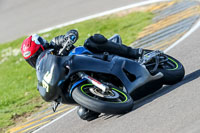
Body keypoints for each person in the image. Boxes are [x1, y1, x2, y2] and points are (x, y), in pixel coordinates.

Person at [21, 29, 143, 120]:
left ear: (43, 46)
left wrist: (69, 38)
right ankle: (108, 97)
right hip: (77, 78)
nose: (35, 60)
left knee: (92, 41)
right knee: (85, 114)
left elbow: (71, 33)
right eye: (32, 59)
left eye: (36, 55)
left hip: (88, 58)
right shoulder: (44, 70)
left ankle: (135, 53)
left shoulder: (54, 43)